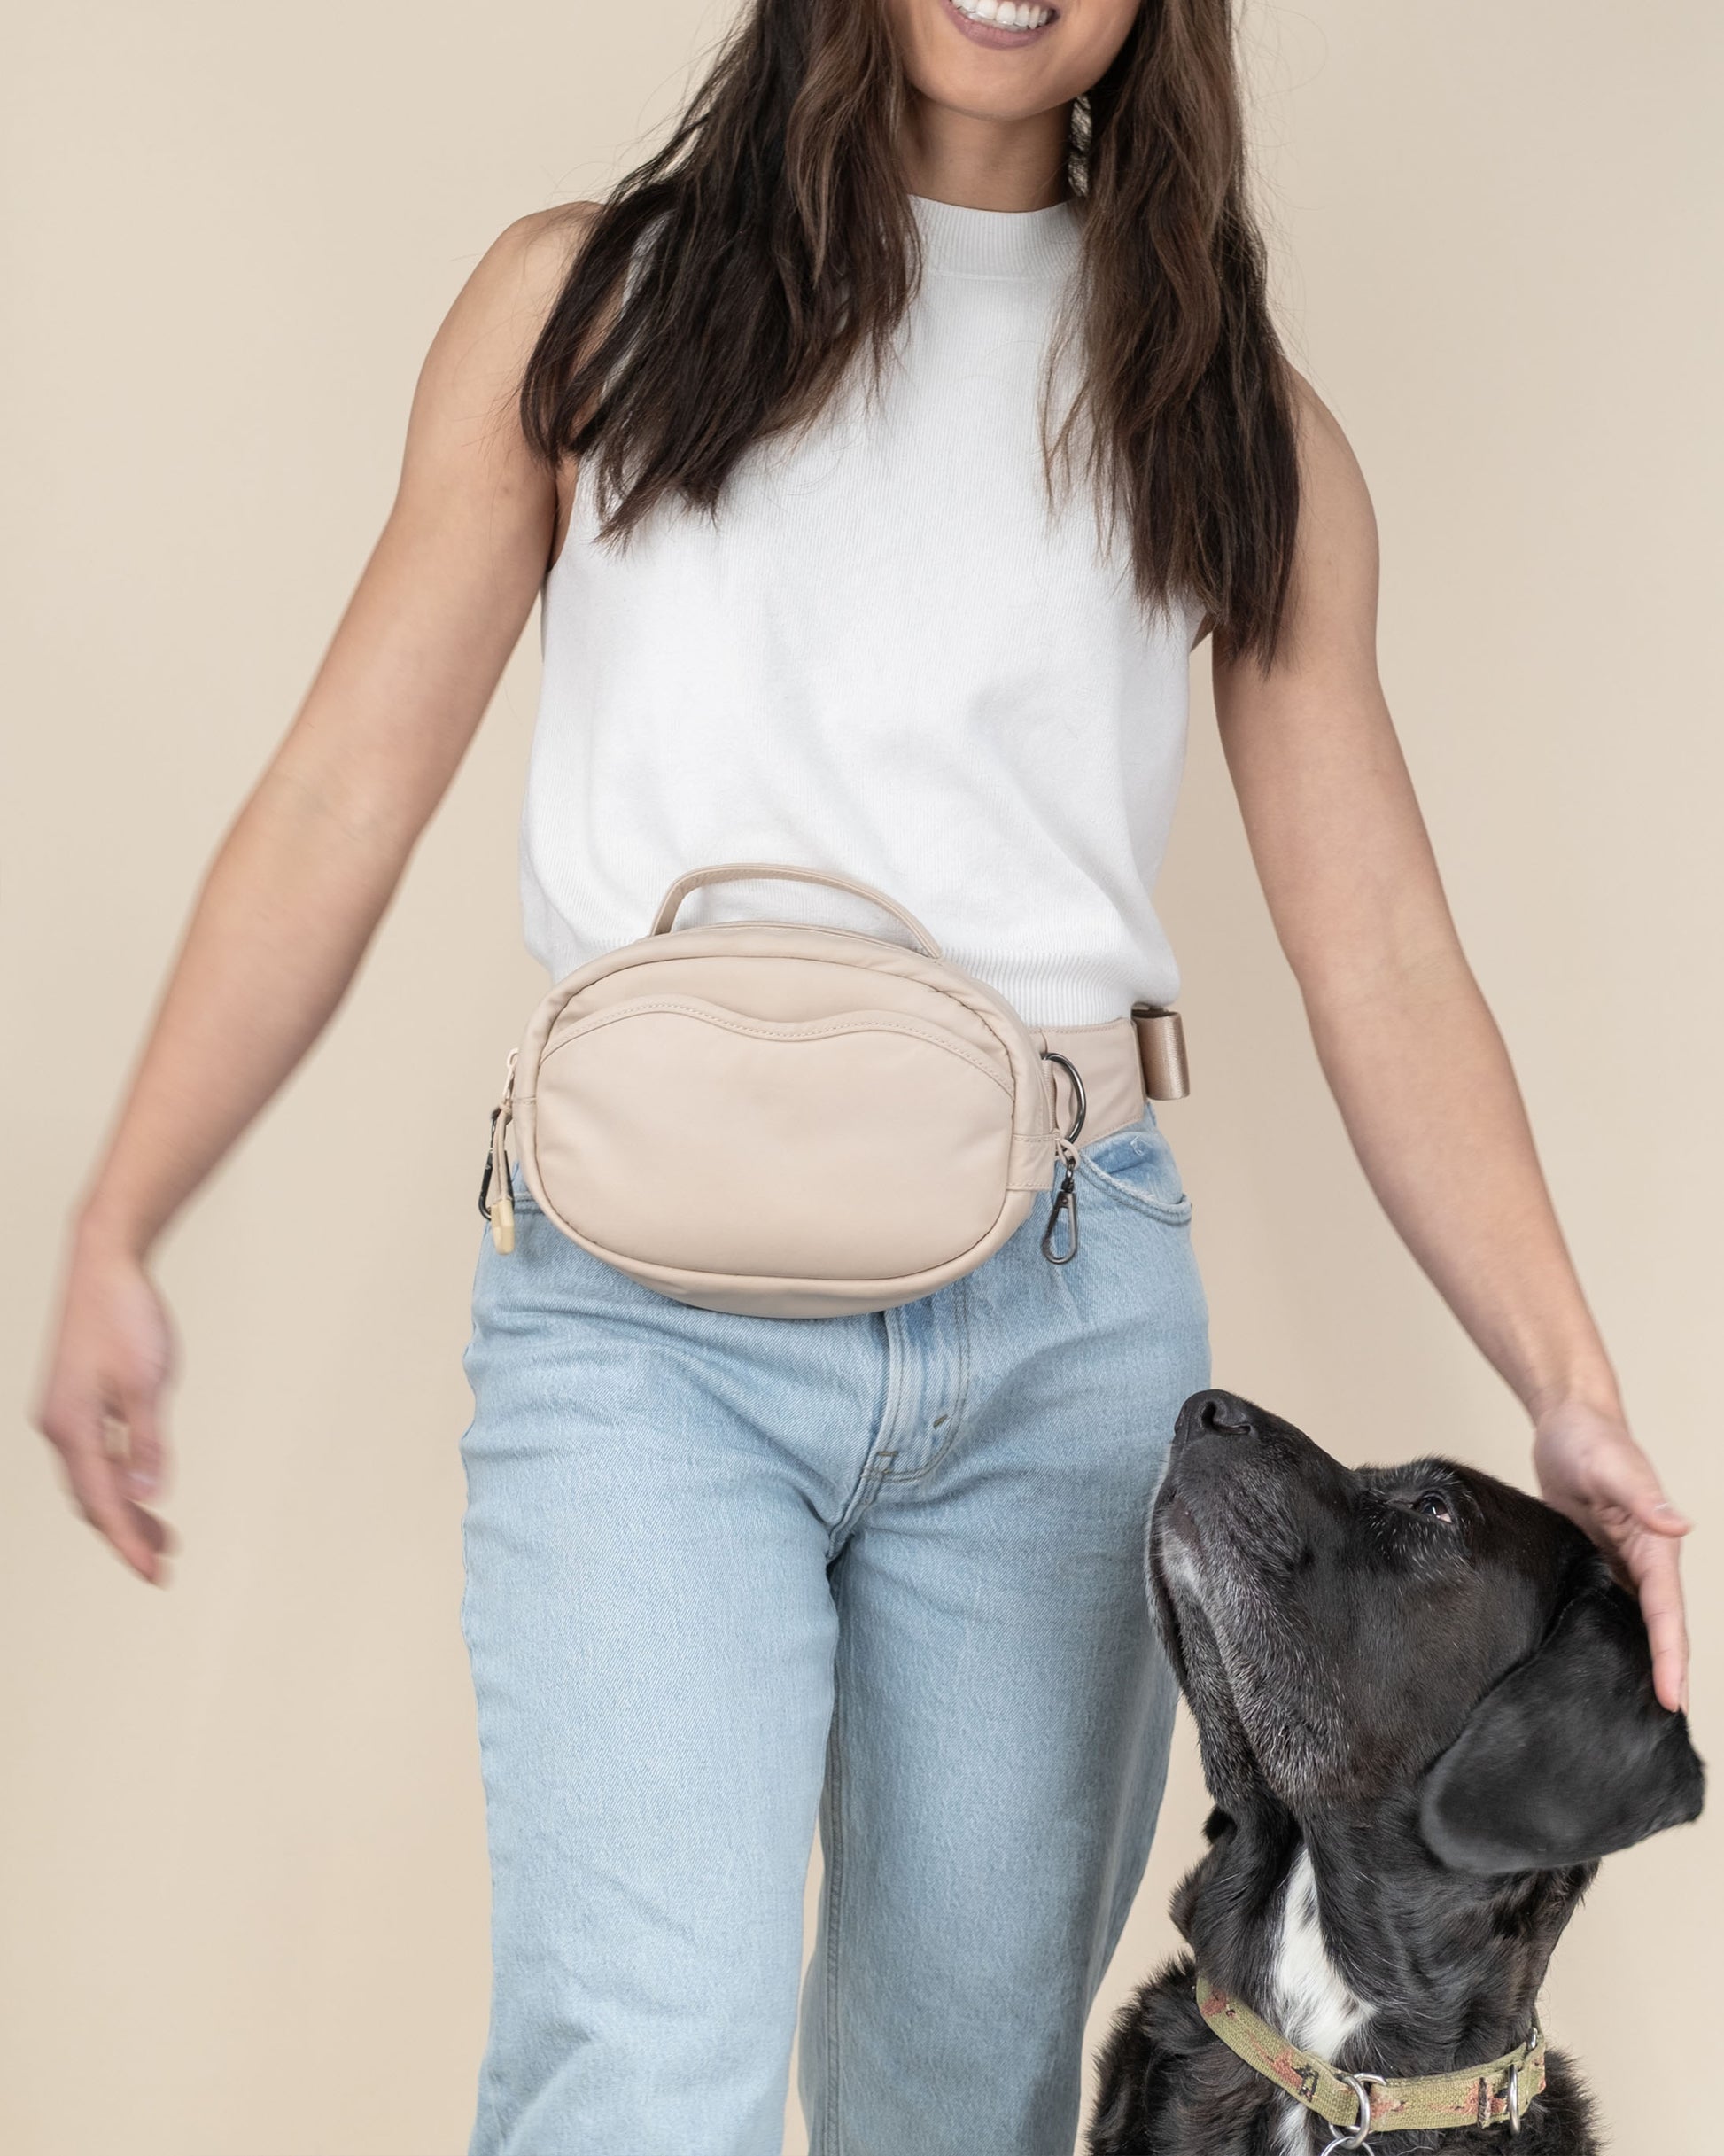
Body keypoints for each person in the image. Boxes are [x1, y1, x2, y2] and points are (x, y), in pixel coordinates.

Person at [33, 4, 1691, 2153]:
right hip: (639, 1334)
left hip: (1057, 1329)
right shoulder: (581, 310)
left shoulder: (1225, 413)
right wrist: (123, 1212)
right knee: (637, 2077)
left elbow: (1377, 948)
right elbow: (341, 795)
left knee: (953, 2101)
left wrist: (1566, 1382)